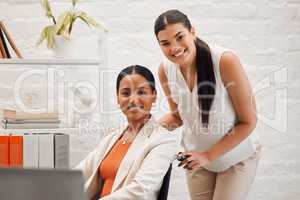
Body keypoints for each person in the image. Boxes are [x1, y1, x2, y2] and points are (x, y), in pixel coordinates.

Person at [154, 9, 262, 200]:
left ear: (192, 32)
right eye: (165, 43)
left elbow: (249, 121)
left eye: (180, 37)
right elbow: (178, 116)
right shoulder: (165, 70)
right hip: (197, 160)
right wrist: (145, 131)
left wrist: (207, 156)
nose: (175, 47)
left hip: (236, 158)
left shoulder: (224, 60)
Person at [76, 65, 178, 200]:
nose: (133, 100)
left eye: (141, 92)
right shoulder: (111, 139)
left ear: (154, 95)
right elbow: (77, 175)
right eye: (125, 93)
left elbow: (141, 191)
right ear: (118, 98)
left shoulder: (163, 140)